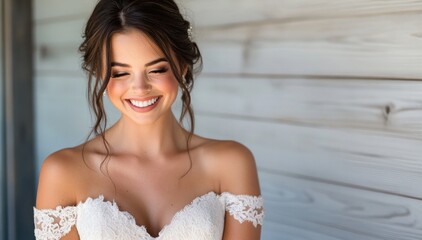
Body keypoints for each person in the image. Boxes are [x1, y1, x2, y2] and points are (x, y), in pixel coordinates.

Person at [33, 0, 264, 239]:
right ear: (99, 74)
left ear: (183, 66)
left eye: (157, 69)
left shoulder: (232, 164)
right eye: (120, 73)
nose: (140, 88)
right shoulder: (63, 172)